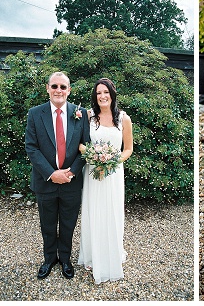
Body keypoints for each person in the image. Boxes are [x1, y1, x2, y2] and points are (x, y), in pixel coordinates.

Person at [25, 71, 91, 279]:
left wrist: (70, 172)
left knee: (68, 223)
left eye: (63, 87)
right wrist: (51, 173)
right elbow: (31, 148)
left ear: (69, 90)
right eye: (54, 86)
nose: (58, 91)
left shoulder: (80, 114)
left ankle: (65, 259)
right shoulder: (35, 114)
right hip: (45, 182)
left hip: (71, 181)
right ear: (48, 88)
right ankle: (48, 259)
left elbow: (86, 147)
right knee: (47, 224)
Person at [77, 78, 134, 284]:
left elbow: (128, 149)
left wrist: (110, 161)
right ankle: (92, 255)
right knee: (94, 210)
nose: (102, 96)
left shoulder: (124, 119)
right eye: (99, 93)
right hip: (93, 171)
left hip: (113, 173)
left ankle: (112, 252)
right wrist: (94, 156)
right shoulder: (89, 117)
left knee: (112, 211)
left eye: (106, 92)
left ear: (112, 94)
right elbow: (81, 144)